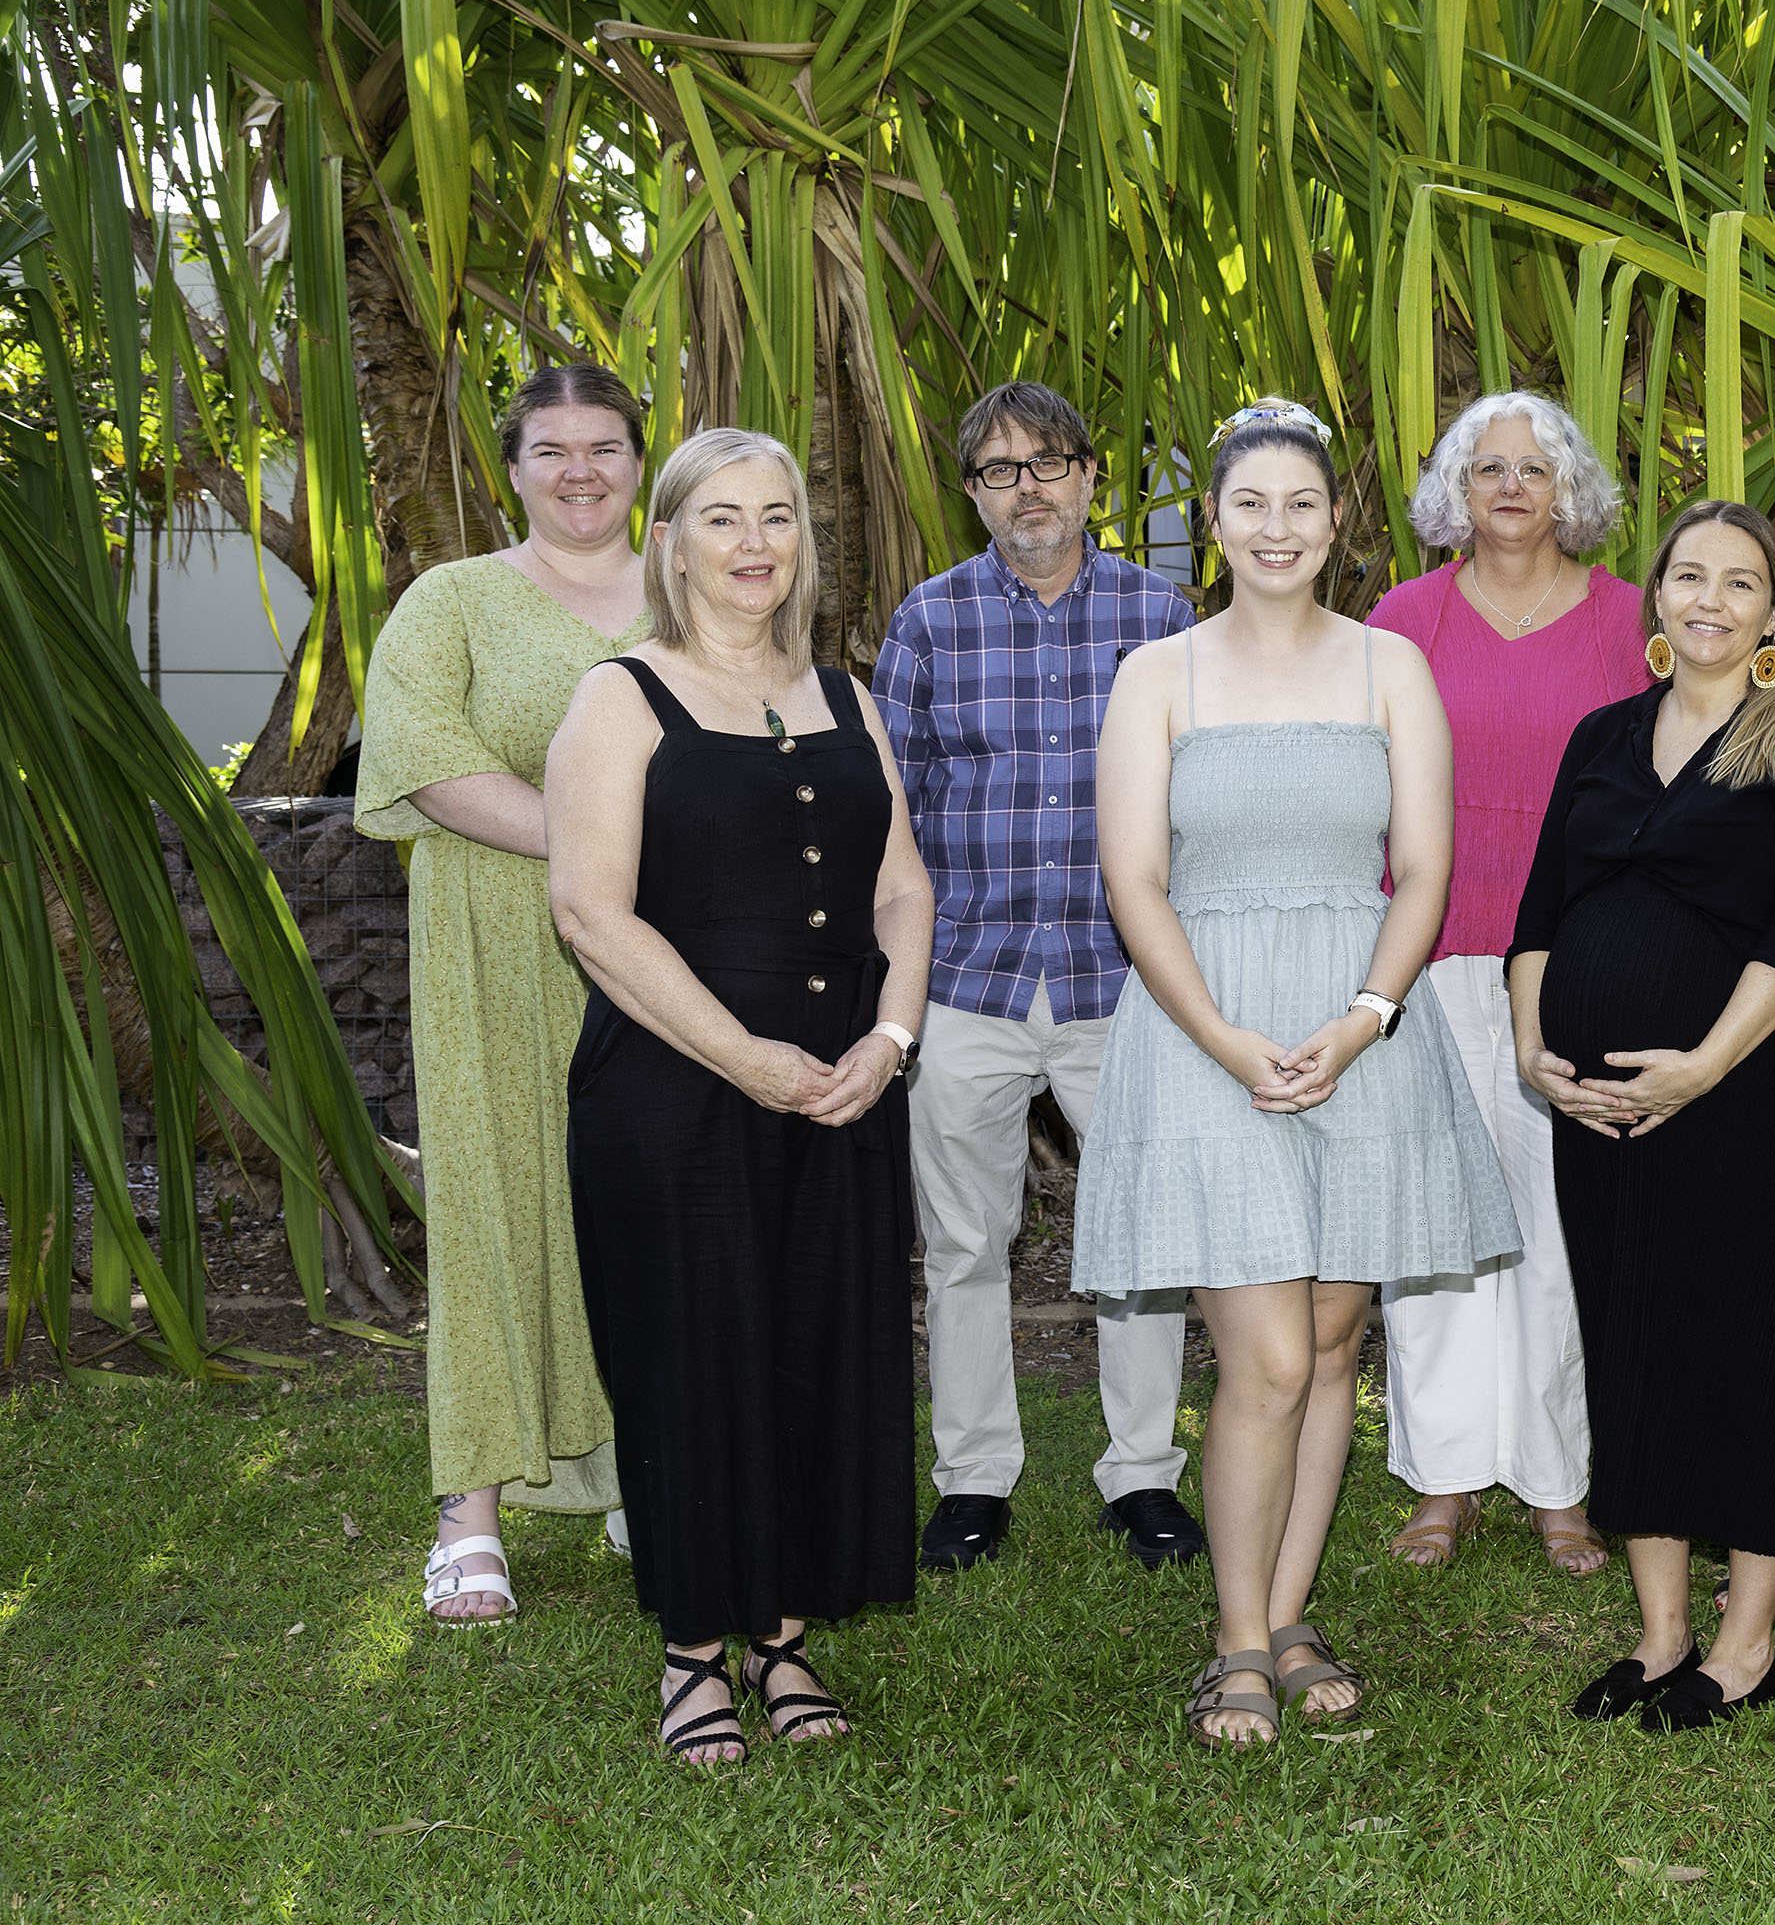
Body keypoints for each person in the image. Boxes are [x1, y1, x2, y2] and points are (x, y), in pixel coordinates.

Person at [1074, 399, 1518, 1749]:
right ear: (1216, 521)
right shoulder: (1161, 675)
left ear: (1337, 523)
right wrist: (1220, 1034)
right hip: (1204, 1029)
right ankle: (1233, 1639)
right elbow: (1134, 880)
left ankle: (1288, 1606)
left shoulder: (1389, 667)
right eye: (1250, 504)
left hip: (1359, 1028)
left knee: (1333, 1341)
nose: (1277, 527)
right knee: (1263, 1352)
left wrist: (1367, 1013)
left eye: (1302, 504)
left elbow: (1426, 869)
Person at [547, 427, 931, 1763]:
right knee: (693, 1355)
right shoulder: (620, 696)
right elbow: (590, 913)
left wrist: (888, 1040)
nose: (756, 541)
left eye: (777, 515)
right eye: (724, 517)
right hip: (675, 1087)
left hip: (840, 1080)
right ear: (671, 542)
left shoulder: (848, 693)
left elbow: (901, 887)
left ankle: (784, 1634)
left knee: (814, 1345)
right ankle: (694, 1650)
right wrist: (746, 1057)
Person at [1510, 500, 1775, 1733]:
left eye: (1741, 582)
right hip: (1596, 1106)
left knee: (1740, 1344)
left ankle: (1747, 1642)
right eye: (1689, 577)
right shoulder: (1603, 735)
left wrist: (1702, 1066)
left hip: (1745, 1097)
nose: (1710, 600)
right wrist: (1533, 1050)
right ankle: (1663, 1634)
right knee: (1632, 1341)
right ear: (1655, 595)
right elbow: (1541, 915)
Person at [873, 381, 1207, 1576]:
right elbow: (891, 810)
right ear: (972, 494)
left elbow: (1195, 794)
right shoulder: (928, 621)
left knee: (1136, 1240)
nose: (1030, 487)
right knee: (965, 1243)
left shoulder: (1162, 614)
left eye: (1050, 461)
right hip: (968, 977)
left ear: (1088, 477)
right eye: (1001, 469)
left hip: (1125, 985)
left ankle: (1144, 1478)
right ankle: (972, 1482)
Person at [355, 363, 647, 1623]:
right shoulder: (453, 600)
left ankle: (651, 1465)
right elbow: (423, 762)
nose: (579, 470)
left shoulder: (699, 587)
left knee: (651, 1203)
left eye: (604, 446)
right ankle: (470, 1509)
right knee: (494, 1194)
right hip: (493, 940)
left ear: (643, 460)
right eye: (551, 450)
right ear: (511, 468)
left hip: (663, 955)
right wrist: (596, 848)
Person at [1367, 392, 1650, 1578]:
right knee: (1433, 1228)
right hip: (1429, 952)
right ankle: (1443, 1480)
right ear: (1454, 492)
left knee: (1556, 1228)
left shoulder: (1635, 621)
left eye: (1535, 468)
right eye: (1487, 469)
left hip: (1580, 961)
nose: (1512, 487)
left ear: (1571, 487)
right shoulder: (1401, 620)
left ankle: (1556, 1483)